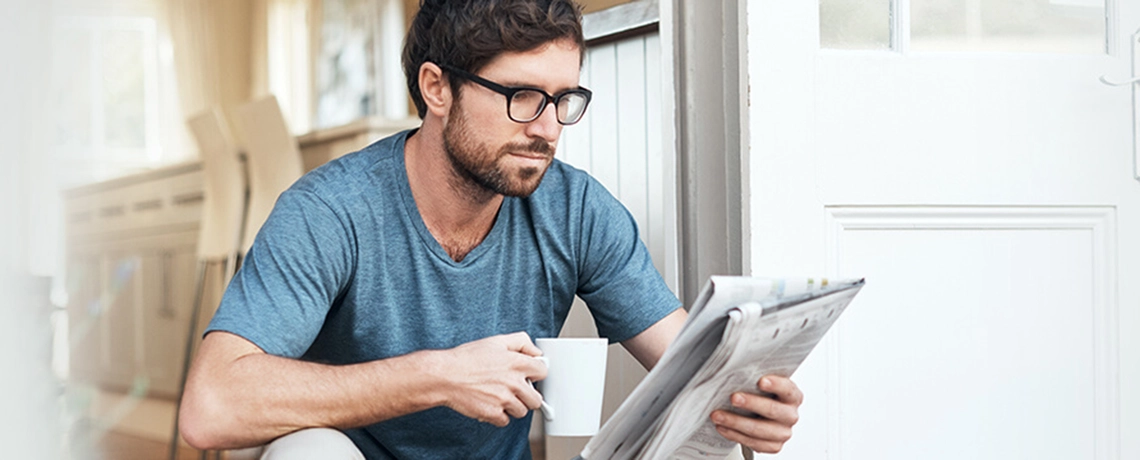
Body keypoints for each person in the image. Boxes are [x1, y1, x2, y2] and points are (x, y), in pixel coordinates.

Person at [178, 0, 803, 458]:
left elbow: (688, 364)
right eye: (521, 96)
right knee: (308, 453)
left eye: (562, 99)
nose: (547, 128)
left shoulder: (577, 210)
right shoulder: (330, 211)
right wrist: (436, 376)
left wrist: (748, 404)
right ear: (437, 88)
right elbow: (211, 408)